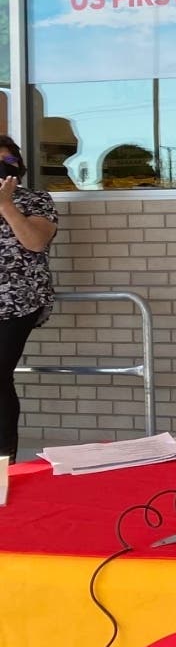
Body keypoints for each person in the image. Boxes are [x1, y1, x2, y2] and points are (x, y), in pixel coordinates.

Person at [0, 138, 58, 462]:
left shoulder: (36, 200)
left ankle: (2, 459)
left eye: (7, 159)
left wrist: (6, 205)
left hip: (18, 301)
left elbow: (35, 242)